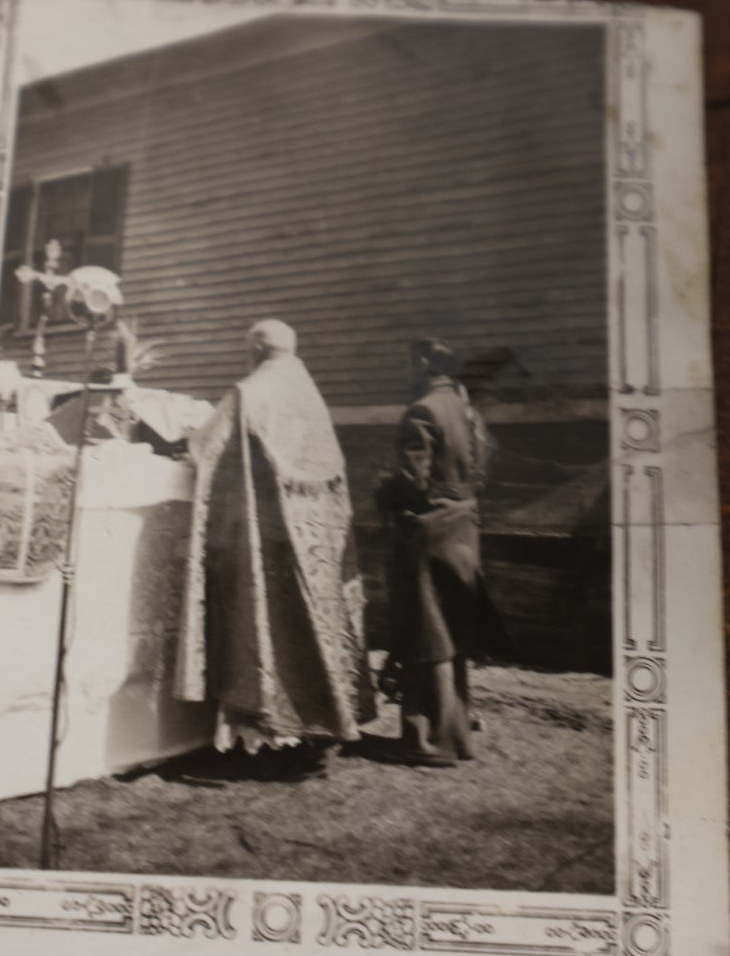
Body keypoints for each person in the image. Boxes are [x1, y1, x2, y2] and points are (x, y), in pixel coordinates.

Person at [175, 319, 375, 774]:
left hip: (263, 540)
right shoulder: (311, 398)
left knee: (261, 625)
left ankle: (261, 738)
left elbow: (207, 445)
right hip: (312, 542)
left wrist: (187, 440)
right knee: (307, 625)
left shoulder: (251, 392)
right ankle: (313, 729)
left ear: (257, 351)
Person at [374, 337, 508, 766]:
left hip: (429, 530)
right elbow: (485, 463)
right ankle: (458, 734)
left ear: (424, 365)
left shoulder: (423, 410)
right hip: (464, 527)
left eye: (407, 363)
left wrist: (382, 491)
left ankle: (430, 742)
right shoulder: (465, 408)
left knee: (426, 631)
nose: (404, 373)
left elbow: (412, 483)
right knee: (452, 629)